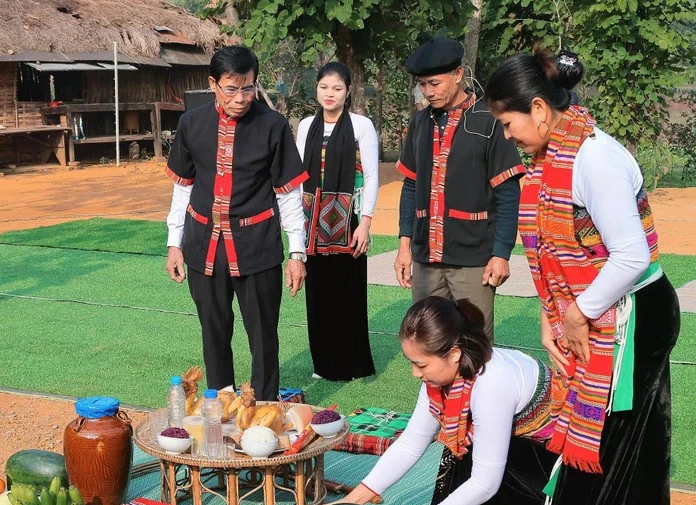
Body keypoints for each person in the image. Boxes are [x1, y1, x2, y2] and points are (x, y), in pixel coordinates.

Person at [484, 48, 680, 505]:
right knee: (599, 438)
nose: (509, 135)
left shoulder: (595, 159)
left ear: (540, 110)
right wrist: (553, 316)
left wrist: (576, 314)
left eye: (508, 122)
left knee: (615, 447)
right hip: (599, 311)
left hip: (632, 315)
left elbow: (632, 254)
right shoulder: (553, 156)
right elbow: (551, 251)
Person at [327, 296, 559, 505]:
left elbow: (485, 482)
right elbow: (410, 444)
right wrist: (351, 502)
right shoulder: (444, 376)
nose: (415, 373)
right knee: (457, 456)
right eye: (411, 362)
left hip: (553, 466)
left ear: (454, 354)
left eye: (421, 364)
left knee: (459, 457)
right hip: (518, 450)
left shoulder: (493, 384)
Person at [165, 46, 310, 401]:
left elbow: (289, 194)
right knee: (213, 330)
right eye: (232, 88)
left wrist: (297, 253)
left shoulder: (273, 126)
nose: (241, 98)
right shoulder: (191, 124)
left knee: (263, 333)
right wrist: (174, 243)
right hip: (202, 246)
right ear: (213, 84)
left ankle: (264, 406)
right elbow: (182, 187)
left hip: (257, 246)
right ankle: (222, 405)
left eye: (248, 88)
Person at [395, 37, 525, 340]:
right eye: (422, 85)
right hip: (426, 257)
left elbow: (507, 192)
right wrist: (404, 245)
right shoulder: (420, 121)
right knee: (428, 340)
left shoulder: (490, 119)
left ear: (458, 74)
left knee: (474, 343)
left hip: (474, 259)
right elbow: (411, 185)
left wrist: (501, 253)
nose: (428, 92)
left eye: (435, 83)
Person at [295, 62, 378, 381]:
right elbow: (300, 174)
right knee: (318, 294)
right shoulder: (305, 126)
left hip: (348, 219)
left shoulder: (361, 125)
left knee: (348, 291)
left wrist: (366, 222)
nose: (329, 94)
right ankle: (323, 364)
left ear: (348, 91)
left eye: (337, 88)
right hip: (311, 219)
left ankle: (353, 363)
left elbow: (370, 176)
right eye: (324, 87)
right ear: (316, 88)